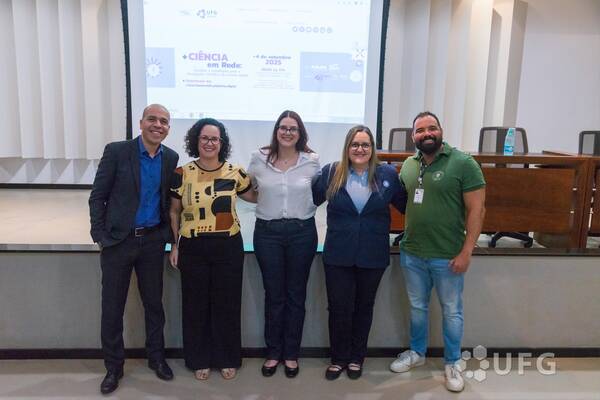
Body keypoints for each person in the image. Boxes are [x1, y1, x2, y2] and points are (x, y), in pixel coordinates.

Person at [389, 111, 486, 392]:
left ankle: (453, 362)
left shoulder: (463, 163)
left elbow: (477, 210)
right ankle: (417, 353)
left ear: (441, 130)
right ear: (413, 136)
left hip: (448, 255)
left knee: (452, 311)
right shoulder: (408, 166)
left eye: (432, 128)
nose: (427, 134)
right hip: (412, 253)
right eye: (420, 130)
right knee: (417, 308)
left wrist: (467, 251)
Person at [89, 104, 179, 395]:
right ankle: (113, 367)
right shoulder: (117, 151)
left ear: (168, 128)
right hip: (119, 242)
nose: (158, 125)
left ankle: (157, 358)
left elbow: (167, 201)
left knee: (154, 304)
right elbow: (98, 196)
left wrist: (167, 237)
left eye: (163, 121)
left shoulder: (171, 158)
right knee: (112, 307)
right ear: (141, 123)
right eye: (152, 119)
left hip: (152, 242)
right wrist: (100, 235)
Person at [312, 125, 407, 380]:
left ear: (372, 148)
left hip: (372, 254)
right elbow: (309, 199)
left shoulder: (388, 174)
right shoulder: (331, 172)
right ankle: (338, 359)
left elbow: (406, 205)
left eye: (365, 144)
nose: (360, 149)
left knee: (364, 307)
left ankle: (356, 358)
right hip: (338, 253)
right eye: (355, 144)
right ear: (347, 147)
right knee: (338, 308)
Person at [169, 118, 254, 381]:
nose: (209, 143)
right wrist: (175, 244)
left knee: (227, 304)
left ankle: (227, 358)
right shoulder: (182, 173)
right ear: (196, 141)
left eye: (214, 138)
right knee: (195, 304)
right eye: (204, 138)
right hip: (192, 246)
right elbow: (174, 211)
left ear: (221, 143)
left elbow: (256, 196)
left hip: (228, 245)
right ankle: (199, 359)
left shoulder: (235, 172)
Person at [247, 110, 320, 378]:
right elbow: (246, 188)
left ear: (300, 134)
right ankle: (273, 353)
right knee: (274, 295)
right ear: (276, 130)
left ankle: (291, 354)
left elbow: (318, 191)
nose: (287, 132)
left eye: (293, 128)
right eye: (283, 127)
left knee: (296, 296)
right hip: (268, 233)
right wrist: (266, 201)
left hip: (302, 233)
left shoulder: (312, 161)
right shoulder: (259, 158)